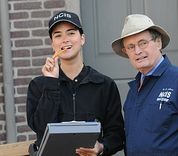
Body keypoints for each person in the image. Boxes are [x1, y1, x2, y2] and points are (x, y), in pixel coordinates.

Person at [111, 14, 178, 155]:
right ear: (126, 52)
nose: (137, 51)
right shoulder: (134, 91)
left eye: (143, 43)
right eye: (131, 47)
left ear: (158, 42)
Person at [26, 10, 125, 156]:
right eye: (58, 35)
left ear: (82, 39)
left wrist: (101, 147)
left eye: (71, 33)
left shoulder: (105, 85)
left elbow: (116, 135)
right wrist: (51, 83)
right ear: (53, 44)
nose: (65, 39)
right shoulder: (38, 85)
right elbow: (40, 127)